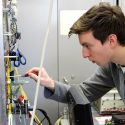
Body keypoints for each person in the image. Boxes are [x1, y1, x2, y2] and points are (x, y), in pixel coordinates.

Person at [26, 3, 125, 103]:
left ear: (111, 41)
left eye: (87, 46)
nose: (84, 54)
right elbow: (82, 94)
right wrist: (49, 83)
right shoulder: (113, 67)